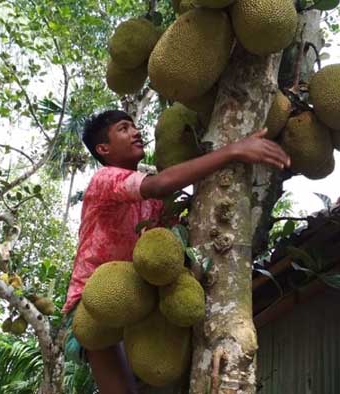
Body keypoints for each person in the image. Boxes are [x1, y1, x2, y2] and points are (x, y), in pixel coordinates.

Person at [61, 110, 290, 394]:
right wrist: (233, 151)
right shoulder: (105, 180)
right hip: (90, 300)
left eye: (134, 126)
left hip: (136, 298)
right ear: (103, 149)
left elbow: (172, 236)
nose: (135, 132)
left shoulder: (154, 205)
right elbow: (159, 185)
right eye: (123, 128)